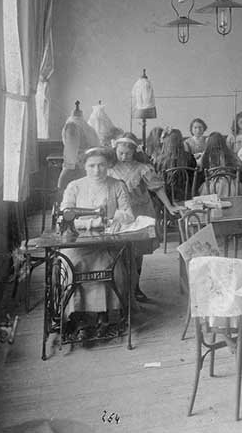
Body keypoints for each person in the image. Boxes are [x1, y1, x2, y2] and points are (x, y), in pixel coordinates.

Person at [59, 147, 134, 340]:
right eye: (92, 166)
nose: (97, 170)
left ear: (108, 165)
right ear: (84, 166)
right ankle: (80, 319)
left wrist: (116, 218)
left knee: (111, 265)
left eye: (101, 165)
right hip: (78, 243)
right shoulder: (74, 186)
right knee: (72, 264)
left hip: (107, 242)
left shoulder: (117, 185)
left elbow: (128, 214)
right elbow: (65, 217)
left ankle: (106, 317)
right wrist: (93, 222)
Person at [108, 134, 179, 301]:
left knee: (138, 251)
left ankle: (136, 286)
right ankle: (121, 288)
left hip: (141, 212)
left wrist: (169, 206)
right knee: (119, 250)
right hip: (119, 213)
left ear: (134, 152)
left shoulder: (142, 168)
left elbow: (158, 188)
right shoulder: (110, 168)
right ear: (115, 151)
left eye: (128, 153)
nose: (124, 157)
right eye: (121, 153)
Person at [156, 128, 197, 202]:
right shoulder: (189, 157)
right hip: (186, 194)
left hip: (167, 197)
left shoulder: (160, 160)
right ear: (181, 141)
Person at [197, 131, 242, 196]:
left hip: (212, 185)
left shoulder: (206, 154)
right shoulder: (229, 153)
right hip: (230, 184)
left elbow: (199, 166)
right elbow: (239, 164)